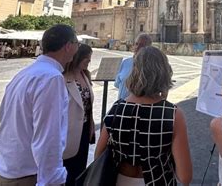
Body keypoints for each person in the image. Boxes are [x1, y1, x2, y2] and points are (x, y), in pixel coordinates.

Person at [0, 24, 79, 186]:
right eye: (76, 43)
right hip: (27, 177)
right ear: (68, 46)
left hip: (4, 171)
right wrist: (54, 180)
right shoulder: (52, 78)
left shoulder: (24, 74)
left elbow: (4, 116)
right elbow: (49, 137)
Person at [95, 46, 193, 186]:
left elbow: (98, 154)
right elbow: (185, 176)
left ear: (134, 72)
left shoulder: (117, 108)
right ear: (164, 73)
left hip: (119, 180)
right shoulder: (172, 114)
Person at [62, 44, 95, 186]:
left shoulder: (85, 74)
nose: (89, 62)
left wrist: (92, 124)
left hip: (85, 128)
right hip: (69, 129)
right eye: (87, 59)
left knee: (80, 166)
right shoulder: (63, 76)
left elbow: (88, 104)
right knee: (67, 166)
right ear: (78, 58)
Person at [114, 33, 152, 100]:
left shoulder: (151, 66)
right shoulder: (125, 62)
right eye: (136, 44)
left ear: (148, 48)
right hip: (122, 105)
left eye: (142, 45)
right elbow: (117, 84)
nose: (137, 47)